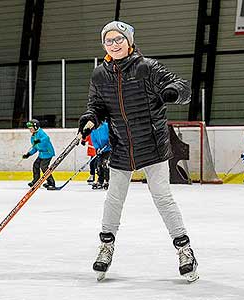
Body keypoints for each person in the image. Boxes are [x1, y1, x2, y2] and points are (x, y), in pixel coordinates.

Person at [77, 20, 198, 282]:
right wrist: (89, 119)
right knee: (113, 200)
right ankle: (106, 247)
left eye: (119, 39)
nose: (114, 44)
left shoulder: (147, 67)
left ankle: (184, 250)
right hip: (121, 147)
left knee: (163, 198)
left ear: (130, 41)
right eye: (109, 40)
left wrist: (170, 93)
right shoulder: (100, 75)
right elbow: (96, 106)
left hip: (152, 146)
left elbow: (183, 86)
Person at [22, 119, 57, 190]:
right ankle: (36, 181)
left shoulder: (40, 132)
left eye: (31, 128)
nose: (30, 130)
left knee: (44, 167)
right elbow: (35, 148)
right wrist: (28, 154)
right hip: (41, 154)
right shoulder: (33, 137)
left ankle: (51, 182)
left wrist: (39, 140)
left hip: (48, 153)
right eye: (29, 129)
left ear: (35, 127)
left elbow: (46, 138)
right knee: (36, 165)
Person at [90, 121, 111, 190]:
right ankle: (100, 180)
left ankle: (107, 180)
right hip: (100, 149)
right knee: (98, 165)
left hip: (108, 149)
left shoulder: (106, 126)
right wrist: (97, 148)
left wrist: (110, 142)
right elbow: (94, 140)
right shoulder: (93, 129)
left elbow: (111, 134)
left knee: (105, 164)